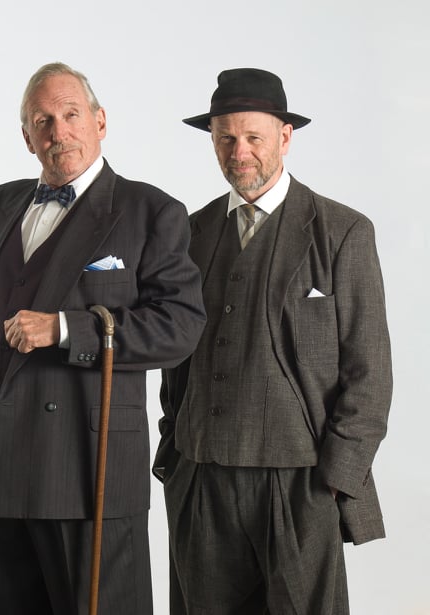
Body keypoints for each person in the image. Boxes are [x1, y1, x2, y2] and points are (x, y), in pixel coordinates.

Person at [0, 62, 206, 615]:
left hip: (86, 473)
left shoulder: (150, 211)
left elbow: (180, 327)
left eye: (71, 114)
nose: (59, 132)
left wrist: (65, 328)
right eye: (43, 121)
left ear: (100, 121)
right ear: (27, 136)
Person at [154, 67, 392, 614]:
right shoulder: (191, 232)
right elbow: (177, 359)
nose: (239, 152)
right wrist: (175, 455)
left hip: (301, 481)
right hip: (202, 475)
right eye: (225, 138)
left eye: (253, 137)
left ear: (285, 137)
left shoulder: (342, 231)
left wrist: (335, 480)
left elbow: (370, 371)